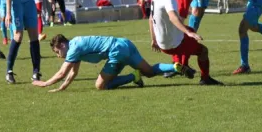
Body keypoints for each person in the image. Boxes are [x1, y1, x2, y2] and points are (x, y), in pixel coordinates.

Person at [32, 34, 185, 92]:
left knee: (100, 85)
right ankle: (175, 66)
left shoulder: (72, 49)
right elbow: (73, 72)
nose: (59, 56)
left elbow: (62, 73)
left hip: (116, 52)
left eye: (58, 52)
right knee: (150, 71)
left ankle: (133, 76)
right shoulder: (76, 44)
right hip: (125, 43)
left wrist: (45, 83)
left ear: (62, 45)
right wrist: (62, 87)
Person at [150, 0, 223, 85]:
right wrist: (187, 32)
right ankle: (205, 78)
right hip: (173, 44)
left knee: (191, 31)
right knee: (203, 51)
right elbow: (173, 17)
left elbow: (150, 19)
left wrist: (153, 39)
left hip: (161, 43)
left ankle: (182, 65)